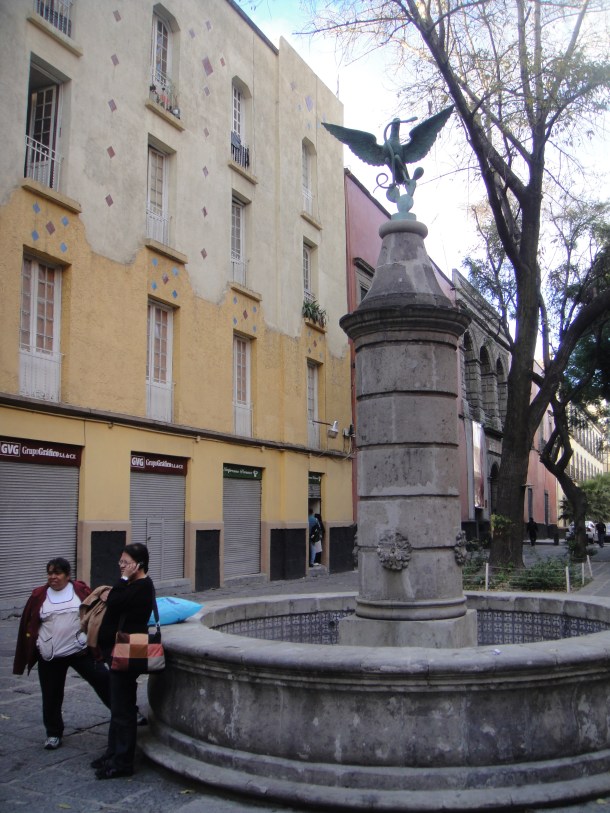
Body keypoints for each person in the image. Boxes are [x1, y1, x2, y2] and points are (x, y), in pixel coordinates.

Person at [13, 557, 110, 750]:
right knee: (51, 695)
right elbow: (28, 623)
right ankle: (53, 733)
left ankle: (127, 713)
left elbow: (96, 613)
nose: (53, 577)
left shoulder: (80, 591)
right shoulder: (39, 596)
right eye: (50, 573)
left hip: (80, 651)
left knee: (104, 680)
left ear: (67, 575)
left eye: (57, 573)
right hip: (50, 655)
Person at [93, 542, 155, 779]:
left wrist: (121, 580)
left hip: (128, 651)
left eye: (126, 562)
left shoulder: (141, 586)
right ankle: (112, 754)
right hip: (119, 649)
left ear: (139, 564)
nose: (121, 566)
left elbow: (114, 601)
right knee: (118, 705)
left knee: (123, 708)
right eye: (120, 562)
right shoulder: (134, 585)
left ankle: (122, 762)